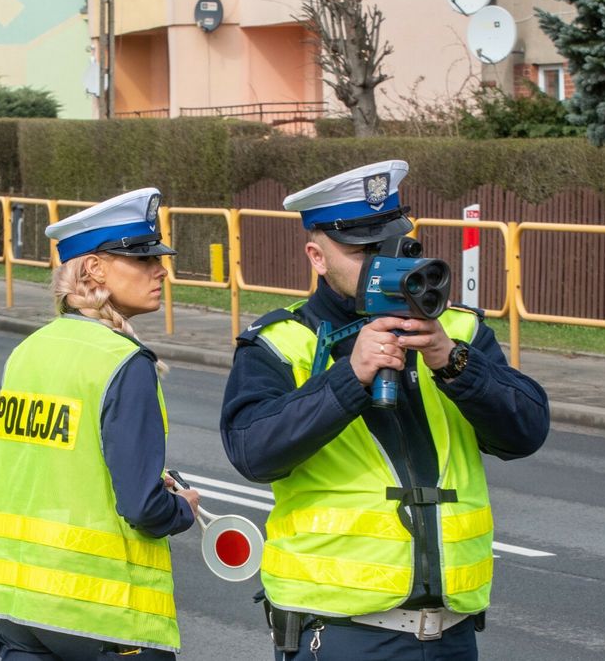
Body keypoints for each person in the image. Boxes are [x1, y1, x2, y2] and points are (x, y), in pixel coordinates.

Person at [220, 161, 550, 660]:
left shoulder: (456, 333)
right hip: (339, 633)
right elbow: (253, 452)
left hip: (451, 634)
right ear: (317, 256)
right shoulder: (282, 342)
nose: (382, 264)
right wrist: (348, 378)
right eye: (363, 251)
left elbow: (526, 431)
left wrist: (453, 361)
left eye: (392, 246)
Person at [0, 188, 200, 661]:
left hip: (21, 607)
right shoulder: (125, 361)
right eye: (141, 259)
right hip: (102, 616)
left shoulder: (29, 349)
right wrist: (183, 509)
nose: (161, 270)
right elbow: (142, 508)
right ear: (94, 269)